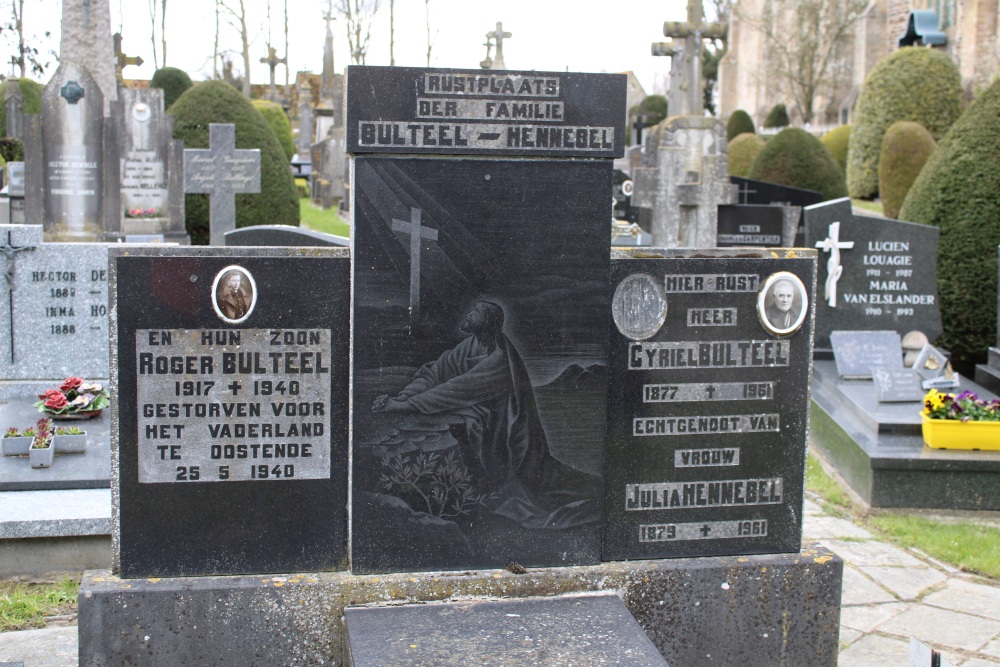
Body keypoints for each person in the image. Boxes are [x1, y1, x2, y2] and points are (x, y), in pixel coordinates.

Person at [372, 300, 597, 528]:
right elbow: (435, 372)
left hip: (505, 432)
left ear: (488, 321)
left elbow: (457, 389)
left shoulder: (499, 358)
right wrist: (404, 396)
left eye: (476, 312)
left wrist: (404, 406)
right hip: (480, 415)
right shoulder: (469, 346)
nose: (469, 315)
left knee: (537, 487)